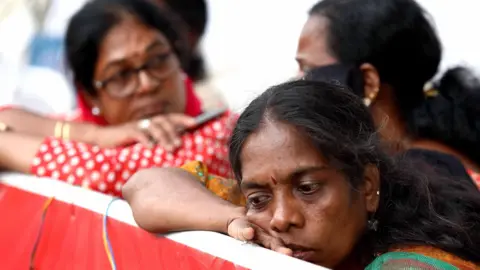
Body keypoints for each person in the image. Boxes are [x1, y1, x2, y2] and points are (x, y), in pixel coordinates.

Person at [123, 80, 480, 269]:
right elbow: (144, 185)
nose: (280, 219)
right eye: (259, 197)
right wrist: (234, 219)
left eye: (308, 188)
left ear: (368, 186)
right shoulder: (255, 217)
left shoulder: (411, 264)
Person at [0, 0, 234, 196]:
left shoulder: (219, 135)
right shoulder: (89, 129)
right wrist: (96, 135)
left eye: (157, 60)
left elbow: (104, 170)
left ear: (177, 56)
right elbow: (7, 118)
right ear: (91, 96)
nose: (146, 84)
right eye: (121, 75)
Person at [296, 0, 480, 188]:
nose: (297, 81)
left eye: (309, 70)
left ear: (368, 83)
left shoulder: (421, 178)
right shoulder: (434, 160)